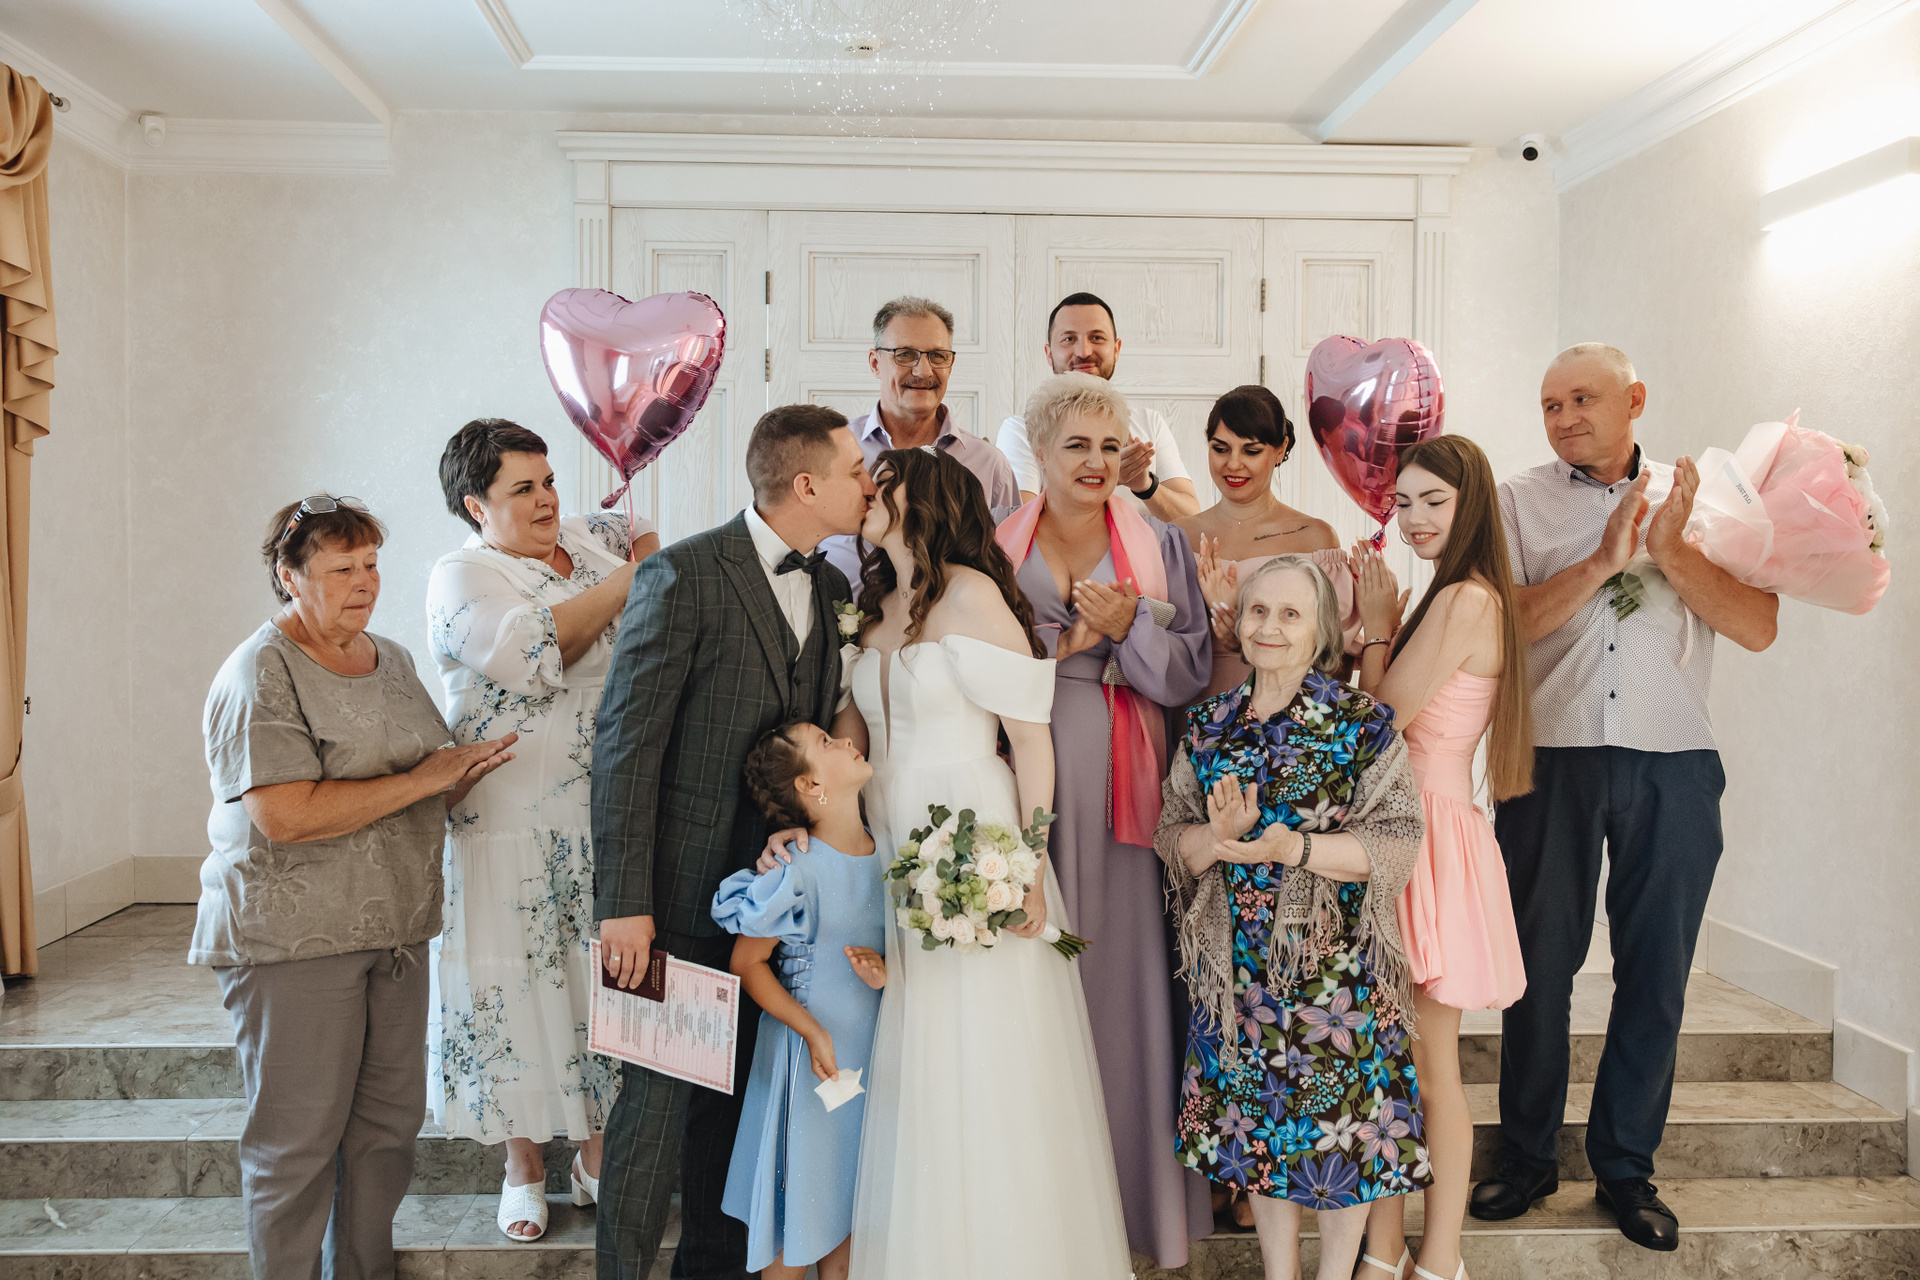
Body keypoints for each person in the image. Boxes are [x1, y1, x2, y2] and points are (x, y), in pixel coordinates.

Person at [1470, 344, 1778, 1252]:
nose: (1563, 417)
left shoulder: (1704, 497)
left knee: (1656, 972)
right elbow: (1500, 624)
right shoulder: (1517, 501)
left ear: (1634, 399)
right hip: (1549, 761)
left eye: (1582, 398)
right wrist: (1606, 561)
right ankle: (1526, 1156)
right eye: (1549, 404)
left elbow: (1757, 626)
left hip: (1675, 764)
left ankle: (1626, 1167)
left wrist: (1669, 552)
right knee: (1537, 968)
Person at [191, 495, 516, 1280]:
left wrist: (471, 768)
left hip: (396, 932)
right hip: (292, 942)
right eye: (342, 569)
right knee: (297, 1143)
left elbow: (427, 780)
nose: (365, 582)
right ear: (290, 576)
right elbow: (286, 816)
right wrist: (425, 781)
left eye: (371, 564)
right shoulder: (261, 672)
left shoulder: (391, 658)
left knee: (385, 1133)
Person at [591, 403, 876, 1280]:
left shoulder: (832, 591)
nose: (869, 482)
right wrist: (624, 904)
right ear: (806, 485)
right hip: (674, 895)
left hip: (776, 906)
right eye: (855, 470)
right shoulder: (681, 575)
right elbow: (626, 744)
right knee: (655, 1110)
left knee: (733, 1117)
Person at [840, 445, 1131, 1278]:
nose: (865, 491)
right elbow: (854, 733)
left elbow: (1031, 743)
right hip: (886, 832)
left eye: (881, 482)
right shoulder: (870, 603)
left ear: (922, 499)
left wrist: (1030, 863)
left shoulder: (971, 595)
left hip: (970, 830)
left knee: (975, 1045)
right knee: (913, 1047)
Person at [1155, 555, 1429, 1280]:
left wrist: (1295, 848)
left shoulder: (1361, 724)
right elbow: (1170, 839)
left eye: (1289, 614)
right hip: (1237, 972)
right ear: (1238, 623)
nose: (1269, 627)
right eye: (1257, 611)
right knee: (1260, 1139)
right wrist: (1216, 839)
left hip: (1336, 973)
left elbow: (1397, 840)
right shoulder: (1208, 726)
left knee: (1343, 1145)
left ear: (1322, 632)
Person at [995, 373, 1213, 1268]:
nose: (1095, 461)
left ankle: (1130, 1209)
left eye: (1109, 445)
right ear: (1039, 455)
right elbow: (962, 655)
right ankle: (1033, 1214)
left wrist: (1132, 631)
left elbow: (1193, 670)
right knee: (1028, 979)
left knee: (1120, 987)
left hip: (1129, 778)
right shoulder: (993, 543)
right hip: (1017, 779)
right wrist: (1059, 647)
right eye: (1076, 445)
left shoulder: (1160, 541)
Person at [425, 419, 661, 1242]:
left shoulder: (593, 542)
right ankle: (522, 1164)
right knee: (514, 987)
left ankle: (596, 1154)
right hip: (507, 822)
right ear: (475, 504)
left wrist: (641, 560)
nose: (547, 499)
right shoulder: (462, 574)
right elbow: (535, 653)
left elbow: (644, 541)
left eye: (550, 480)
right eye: (522, 488)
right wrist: (638, 579)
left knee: (597, 983)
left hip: (604, 812)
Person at [1347, 436, 1533, 1280]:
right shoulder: (1453, 592)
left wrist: (1375, 630)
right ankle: (1386, 1251)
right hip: (1412, 825)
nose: (1414, 518)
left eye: (1434, 502)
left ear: (1471, 505)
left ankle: (1440, 1257)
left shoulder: (1465, 598)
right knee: (1392, 1063)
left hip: (1425, 833)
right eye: (1404, 503)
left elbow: (1379, 718)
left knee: (1429, 1068)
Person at [712, 721, 889, 1280]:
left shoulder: (891, 854)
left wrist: (888, 974)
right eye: (826, 743)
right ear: (810, 787)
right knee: (797, 1222)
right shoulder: (798, 867)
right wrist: (811, 1030)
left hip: (872, 1056)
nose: (846, 740)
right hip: (809, 1063)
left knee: (850, 1221)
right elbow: (747, 964)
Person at [818, 295, 1019, 584]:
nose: (923, 371)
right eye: (905, 354)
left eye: (938, 356)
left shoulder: (989, 465)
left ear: (950, 364)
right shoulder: (830, 449)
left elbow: (1009, 565)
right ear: (875, 363)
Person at [1178, 385, 1361, 701]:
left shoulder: (1314, 538)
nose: (1233, 464)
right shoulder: (1178, 535)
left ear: (1280, 449)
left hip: (1284, 716)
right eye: (1220, 449)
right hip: (1190, 707)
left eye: (1251, 451)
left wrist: (1243, 630)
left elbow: (1336, 665)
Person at [996, 291, 1200, 520]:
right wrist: (1104, 477)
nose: (1083, 352)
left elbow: (1192, 520)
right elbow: (1019, 525)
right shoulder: (1021, 429)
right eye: (1069, 339)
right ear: (1049, 353)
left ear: (1116, 349)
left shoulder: (1150, 422)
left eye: (1097, 338)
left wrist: (1144, 485)